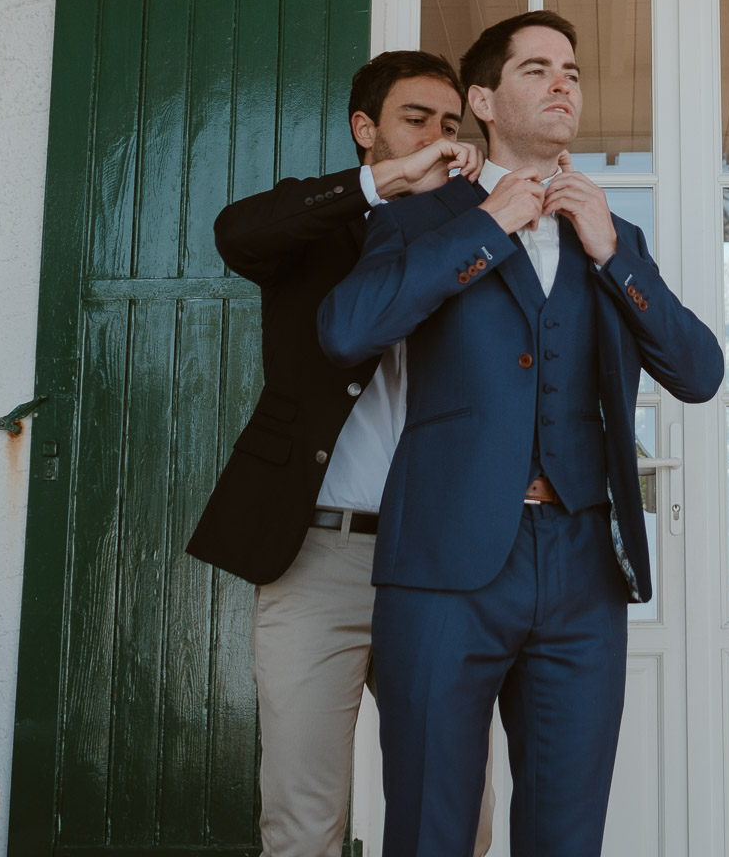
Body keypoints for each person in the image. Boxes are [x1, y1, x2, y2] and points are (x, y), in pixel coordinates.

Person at [317, 11, 723, 857]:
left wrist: (616, 256)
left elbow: (700, 373)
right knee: (431, 828)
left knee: (566, 836)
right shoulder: (421, 219)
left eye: (571, 69)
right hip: (443, 566)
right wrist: (488, 223)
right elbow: (347, 331)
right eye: (536, 69)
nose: (563, 83)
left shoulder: (614, 235)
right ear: (485, 100)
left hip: (581, 566)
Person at [185, 50, 495, 857]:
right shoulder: (316, 222)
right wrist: (382, 188)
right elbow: (236, 232)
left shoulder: (478, 236)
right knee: (301, 812)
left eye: (450, 124)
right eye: (415, 119)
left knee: (457, 815)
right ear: (366, 130)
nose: (438, 136)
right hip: (314, 555)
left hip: (437, 560)